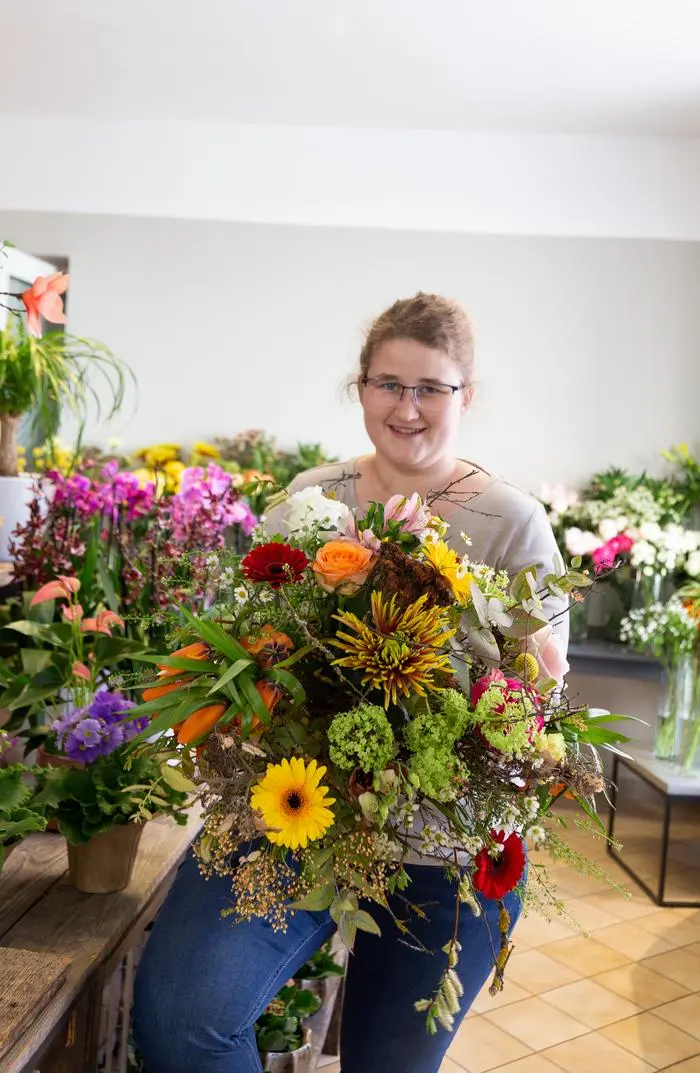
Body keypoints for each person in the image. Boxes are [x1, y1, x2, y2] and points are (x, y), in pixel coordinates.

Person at [133, 293, 568, 1073]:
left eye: (431, 387)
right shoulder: (311, 501)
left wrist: (500, 690)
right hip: (289, 808)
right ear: (360, 386)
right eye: (388, 383)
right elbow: (250, 645)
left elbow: (539, 703)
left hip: (442, 841)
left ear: (466, 395)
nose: (407, 407)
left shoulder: (513, 522)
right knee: (180, 1020)